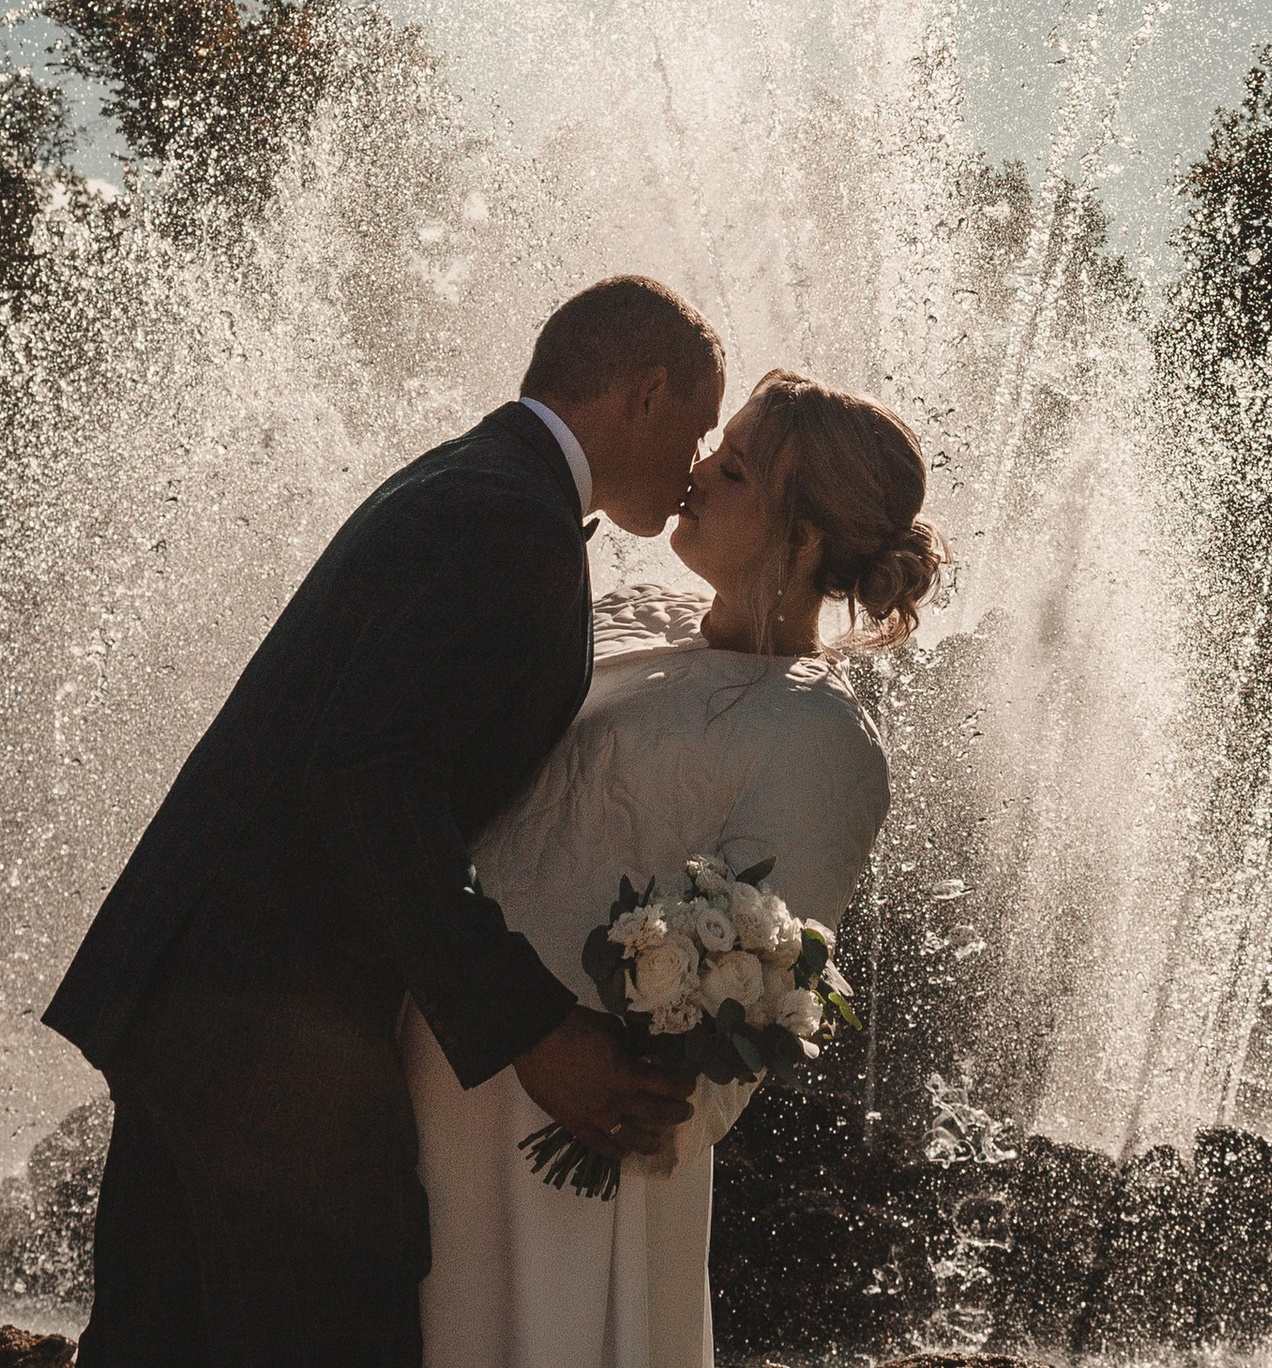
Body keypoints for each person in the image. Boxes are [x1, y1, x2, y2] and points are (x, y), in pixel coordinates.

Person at [51, 275, 726, 1368]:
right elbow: (372, 780)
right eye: (696, 428)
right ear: (646, 392)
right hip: (271, 1030)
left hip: (197, 997)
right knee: (342, 1324)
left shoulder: (470, 480)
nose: (696, 464)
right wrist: (535, 1032)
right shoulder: (512, 520)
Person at [402, 368, 948, 1368]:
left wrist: (628, 1104)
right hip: (444, 1051)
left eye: (733, 467)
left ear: (805, 536)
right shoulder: (629, 608)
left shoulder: (820, 737)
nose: (695, 469)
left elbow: (760, 993)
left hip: (562, 1135)